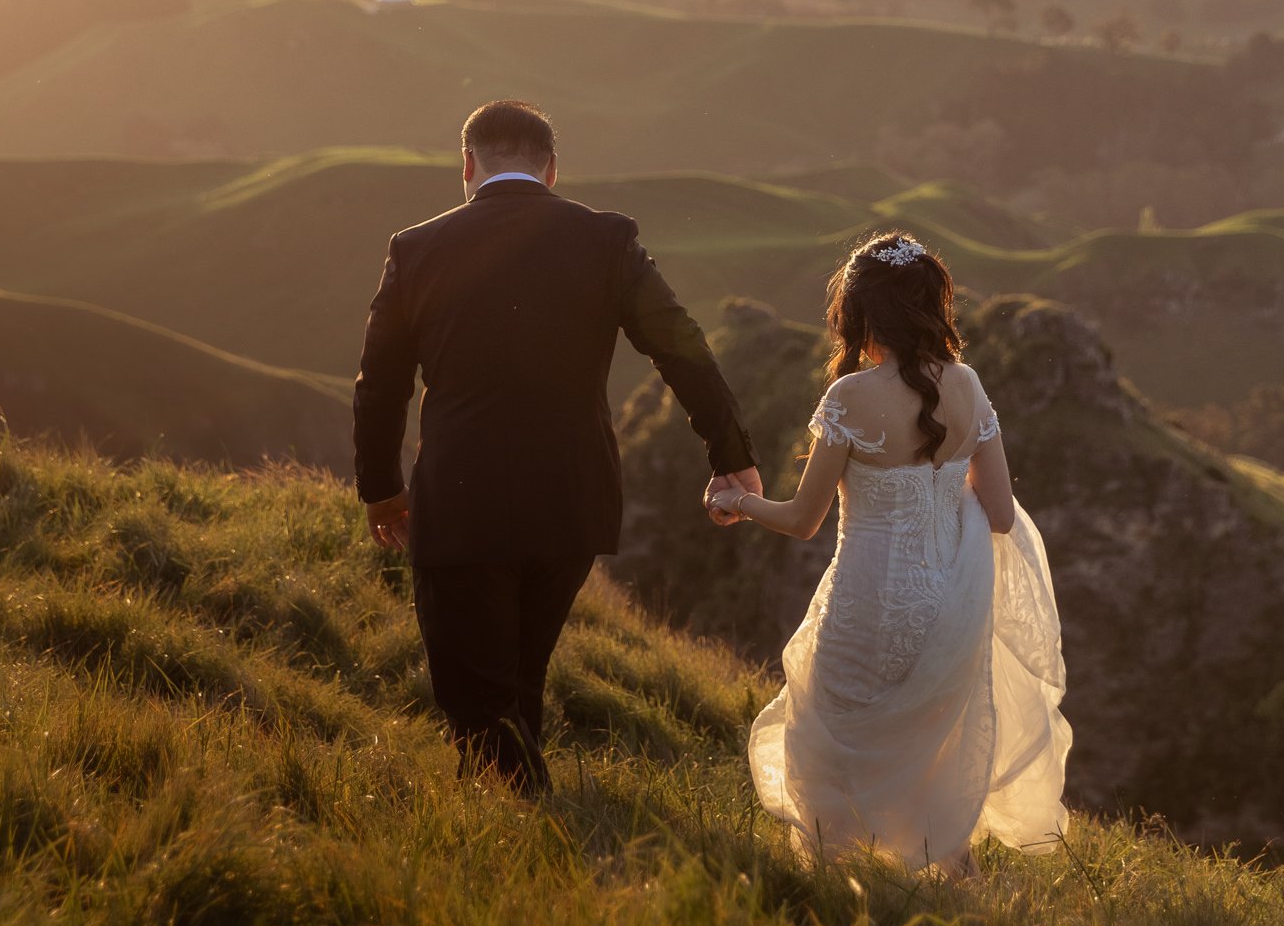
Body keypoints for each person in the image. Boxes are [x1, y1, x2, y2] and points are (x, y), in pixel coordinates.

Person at [354, 99, 759, 788]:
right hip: (572, 499)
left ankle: (530, 833)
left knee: (478, 697)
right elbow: (682, 347)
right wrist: (732, 453)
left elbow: (380, 383)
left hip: (460, 501)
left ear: (467, 165)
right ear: (550, 170)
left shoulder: (415, 248)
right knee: (518, 674)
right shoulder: (606, 240)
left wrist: (382, 488)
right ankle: (522, 838)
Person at [712, 231, 1069, 868]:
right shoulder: (967, 386)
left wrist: (735, 501)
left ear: (859, 313)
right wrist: (937, 495)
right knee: (932, 751)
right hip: (947, 611)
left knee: (831, 746)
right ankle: (939, 883)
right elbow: (1001, 512)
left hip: (865, 603)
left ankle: (836, 884)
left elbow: (801, 519)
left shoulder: (850, 397)